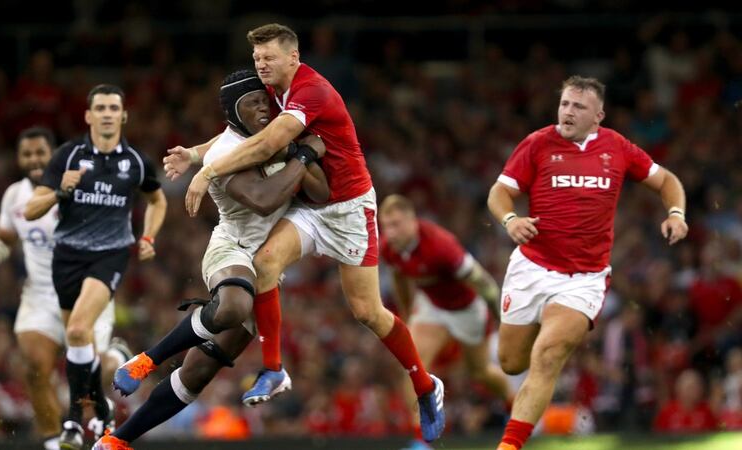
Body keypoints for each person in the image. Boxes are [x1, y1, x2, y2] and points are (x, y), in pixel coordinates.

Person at [168, 23, 445, 442]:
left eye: (269, 57)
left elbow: (267, 144)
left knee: (368, 312)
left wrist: (207, 172)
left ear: (293, 58)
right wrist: (194, 154)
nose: (262, 65)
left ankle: (425, 385)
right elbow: (239, 134)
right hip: (310, 206)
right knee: (264, 263)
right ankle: (274, 368)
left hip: (349, 209)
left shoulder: (311, 91)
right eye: (257, 58)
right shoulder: (272, 91)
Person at [93, 69, 330, 450]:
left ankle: (116, 441)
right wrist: (303, 153)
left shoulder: (276, 135)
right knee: (234, 305)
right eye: (251, 103)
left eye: (264, 101)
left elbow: (320, 193)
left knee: (199, 371)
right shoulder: (225, 153)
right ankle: (147, 359)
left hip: (268, 263)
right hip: (231, 248)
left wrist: (295, 154)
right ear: (234, 113)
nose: (262, 109)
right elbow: (265, 198)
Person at [487, 75, 688, 450]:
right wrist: (510, 220)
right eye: (564, 104)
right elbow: (500, 192)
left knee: (547, 355)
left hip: (583, 278)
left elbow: (667, 181)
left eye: (578, 106)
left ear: (598, 116)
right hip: (531, 268)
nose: (568, 112)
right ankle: (548, 324)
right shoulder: (537, 144)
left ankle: (509, 446)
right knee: (511, 362)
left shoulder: (617, 147)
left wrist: (676, 213)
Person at [25, 85, 167, 450]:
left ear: (123, 116)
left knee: (76, 330)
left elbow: (157, 200)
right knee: (79, 341)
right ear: (88, 115)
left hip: (110, 255)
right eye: (100, 108)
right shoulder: (68, 156)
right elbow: (31, 210)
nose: (106, 114)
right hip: (66, 257)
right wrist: (59, 190)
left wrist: (148, 236)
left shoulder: (135, 162)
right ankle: (100, 409)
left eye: (113, 108)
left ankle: (74, 418)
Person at [0, 127, 129, 450]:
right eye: (26, 154)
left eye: (40, 153)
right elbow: (5, 236)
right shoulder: (15, 196)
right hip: (40, 296)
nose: (34, 160)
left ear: (54, 154)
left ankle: (115, 356)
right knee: (34, 367)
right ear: (18, 158)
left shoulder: (82, 186)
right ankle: (52, 442)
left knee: (94, 376)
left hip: (85, 291)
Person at [378, 194, 512, 449]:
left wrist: (503, 322)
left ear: (412, 221)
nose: (390, 233)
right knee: (412, 367)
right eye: (386, 226)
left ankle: (512, 406)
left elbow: (484, 284)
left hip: (466, 308)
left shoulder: (441, 246)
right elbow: (399, 278)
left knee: (480, 372)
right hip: (432, 306)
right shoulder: (388, 247)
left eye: (396, 225)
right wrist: (407, 314)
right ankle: (421, 441)